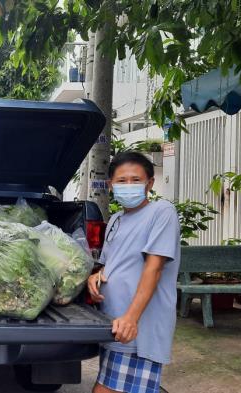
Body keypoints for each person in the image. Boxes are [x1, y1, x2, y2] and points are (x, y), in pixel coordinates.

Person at [87, 151, 181, 393]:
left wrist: (131, 318)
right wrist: (96, 276)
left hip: (138, 328)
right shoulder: (117, 220)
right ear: (110, 185)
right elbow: (110, 263)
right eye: (121, 181)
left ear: (149, 183)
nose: (129, 186)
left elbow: (154, 267)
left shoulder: (161, 212)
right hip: (114, 324)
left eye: (135, 180)